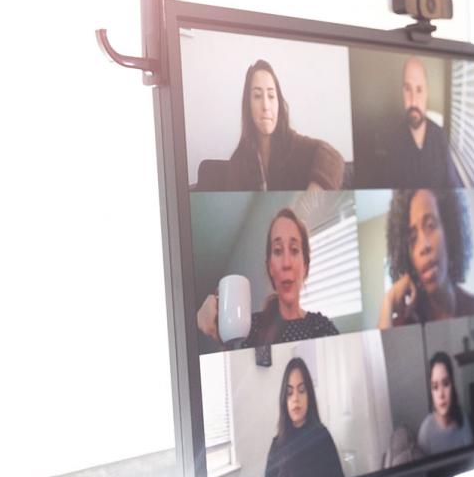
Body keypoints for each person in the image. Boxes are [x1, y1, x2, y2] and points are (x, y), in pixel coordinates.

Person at [196, 207, 339, 348]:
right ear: (270, 267)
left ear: (305, 266)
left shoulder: (322, 328)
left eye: (294, 250)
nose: (286, 263)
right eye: (277, 251)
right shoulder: (252, 329)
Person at [192, 59, 344, 191]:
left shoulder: (293, 143)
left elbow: (333, 157)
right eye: (257, 96)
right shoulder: (238, 161)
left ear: (279, 103)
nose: (266, 105)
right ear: (248, 105)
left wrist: (307, 203)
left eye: (271, 96)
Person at [379, 189, 474, 327]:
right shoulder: (403, 325)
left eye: (430, 226)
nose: (424, 246)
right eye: (413, 238)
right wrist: (387, 302)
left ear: (448, 230)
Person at [356, 56, 457, 189]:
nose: (413, 101)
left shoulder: (440, 136)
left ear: (427, 92)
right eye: (408, 89)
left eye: (419, 89)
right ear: (402, 91)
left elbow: (453, 187)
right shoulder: (391, 140)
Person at [261, 357, 345, 477]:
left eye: (301, 390)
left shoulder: (323, 437)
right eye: (289, 393)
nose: (295, 399)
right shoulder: (277, 446)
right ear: (284, 400)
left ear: (309, 396)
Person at [417, 351, 473, 455]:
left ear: (452, 385)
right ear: (431, 392)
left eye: (446, 384)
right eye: (435, 387)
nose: (441, 394)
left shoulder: (463, 420)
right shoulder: (425, 432)